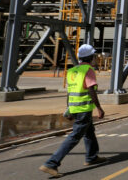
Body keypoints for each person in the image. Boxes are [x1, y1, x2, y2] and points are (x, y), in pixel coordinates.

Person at [40, 44, 107, 178]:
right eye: (93, 56)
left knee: (89, 132)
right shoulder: (88, 70)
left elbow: (69, 93)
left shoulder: (72, 71)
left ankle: (92, 156)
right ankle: (51, 163)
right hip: (83, 109)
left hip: (75, 108)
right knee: (75, 136)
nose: (95, 58)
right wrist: (99, 108)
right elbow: (91, 90)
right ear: (89, 57)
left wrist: (69, 109)